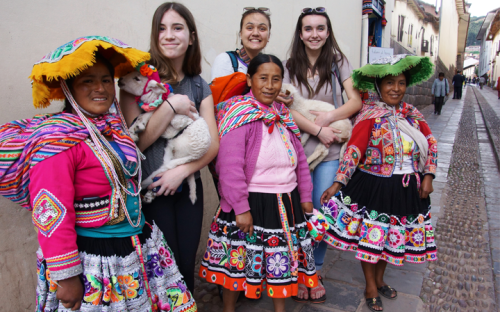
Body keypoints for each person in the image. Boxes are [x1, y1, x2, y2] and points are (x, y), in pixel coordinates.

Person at [0, 37, 196, 312]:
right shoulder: (56, 141)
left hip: (137, 246)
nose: (100, 89)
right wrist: (66, 276)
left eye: (105, 80)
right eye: (87, 81)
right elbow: (51, 211)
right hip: (93, 257)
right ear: (68, 88)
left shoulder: (112, 129)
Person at [199, 54, 318, 312]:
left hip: (286, 202)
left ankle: (280, 310)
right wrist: (241, 208)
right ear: (250, 80)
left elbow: (300, 160)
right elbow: (229, 168)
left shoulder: (283, 114)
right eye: (263, 78)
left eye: (276, 79)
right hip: (251, 202)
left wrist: (305, 196)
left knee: (281, 262)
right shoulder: (239, 114)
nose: (270, 85)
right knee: (238, 261)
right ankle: (228, 309)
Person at [320, 55, 438, 312]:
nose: (396, 88)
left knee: (390, 239)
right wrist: (338, 184)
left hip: (407, 188)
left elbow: (430, 144)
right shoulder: (369, 116)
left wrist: (428, 175)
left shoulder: (413, 116)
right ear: (378, 86)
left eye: (401, 83)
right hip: (374, 186)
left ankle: (380, 279)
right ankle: (370, 285)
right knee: (371, 239)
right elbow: (354, 151)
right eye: (389, 83)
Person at [120, 2, 219, 294]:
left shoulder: (199, 86)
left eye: (177, 28)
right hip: (151, 192)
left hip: (187, 189)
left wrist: (182, 172)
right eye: (161, 29)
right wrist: (170, 105)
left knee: (186, 265)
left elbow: (212, 144)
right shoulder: (135, 80)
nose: (169, 35)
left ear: (190, 36)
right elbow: (136, 142)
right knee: (163, 267)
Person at [277, 7, 362, 303]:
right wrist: (316, 127)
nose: (314, 34)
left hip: (330, 151)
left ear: (328, 33)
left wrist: (327, 121)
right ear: (300, 34)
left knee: (322, 212)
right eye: (308, 29)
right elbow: (285, 108)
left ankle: (317, 270)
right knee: (298, 212)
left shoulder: (339, 63)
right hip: (298, 151)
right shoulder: (287, 66)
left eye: (320, 28)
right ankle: (300, 270)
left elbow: (355, 101)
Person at [211, 7, 271, 80]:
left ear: (269, 36)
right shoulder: (226, 60)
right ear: (241, 34)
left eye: (262, 28)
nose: (255, 33)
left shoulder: (270, 65)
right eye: (249, 27)